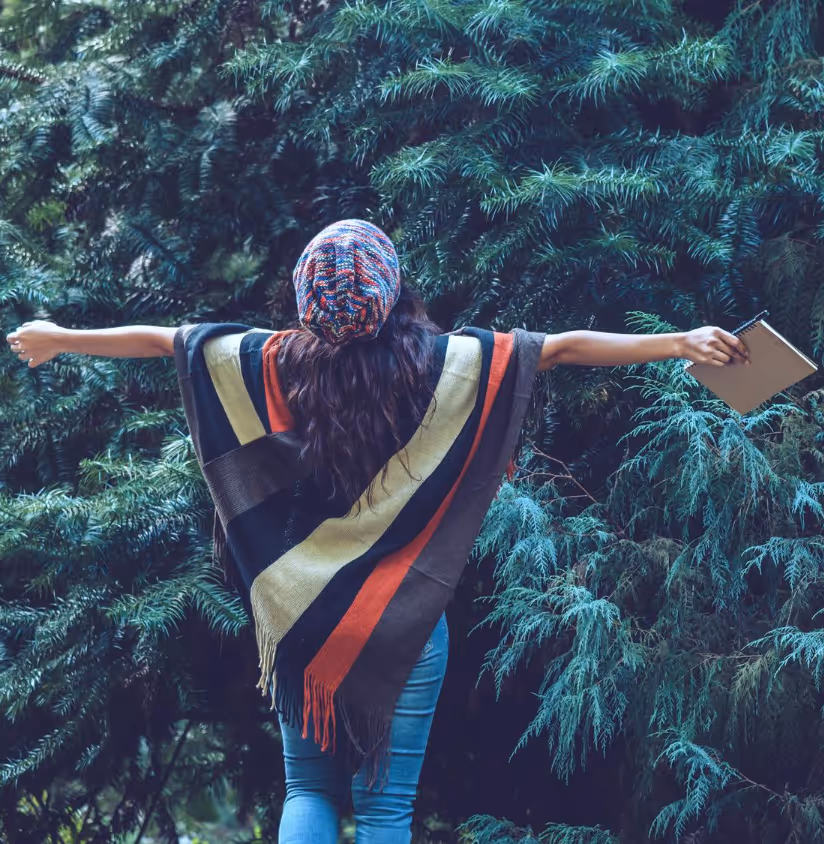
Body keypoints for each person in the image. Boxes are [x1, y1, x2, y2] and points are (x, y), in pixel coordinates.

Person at [5, 219, 750, 843]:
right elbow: (558, 348)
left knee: (308, 790)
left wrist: (62, 337)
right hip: (404, 621)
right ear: (392, 292)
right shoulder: (445, 368)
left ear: (306, 299)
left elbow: (166, 340)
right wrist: (680, 341)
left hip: (300, 617)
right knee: (386, 808)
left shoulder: (270, 363)